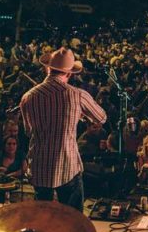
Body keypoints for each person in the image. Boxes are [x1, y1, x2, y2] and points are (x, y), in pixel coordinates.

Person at [20, 48, 106, 211]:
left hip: (39, 166)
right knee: (72, 220)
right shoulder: (77, 95)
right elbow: (102, 117)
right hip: (67, 165)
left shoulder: (28, 97)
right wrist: (78, 113)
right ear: (69, 73)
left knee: (43, 221)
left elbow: (28, 131)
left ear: (48, 68)